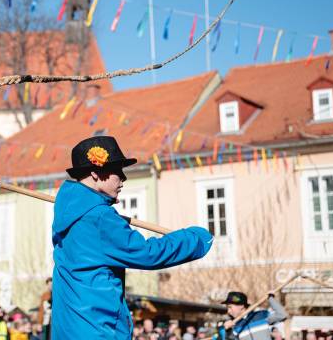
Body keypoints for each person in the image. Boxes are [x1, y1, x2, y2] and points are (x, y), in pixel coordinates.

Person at [51, 136, 213, 339]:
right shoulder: (100, 217)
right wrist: (195, 239)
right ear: (95, 173)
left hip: (69, 330)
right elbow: (148, 254)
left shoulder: (68, 210)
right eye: (117, 171)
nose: (123, 178)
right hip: (99, 328)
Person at [216, 291, 288, 340]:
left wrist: (271, 298)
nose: (228, 311)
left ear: (241, 306)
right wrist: (228, 330)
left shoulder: (262, 316)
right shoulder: (235, 325)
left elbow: (282, 315)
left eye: (230, 307)